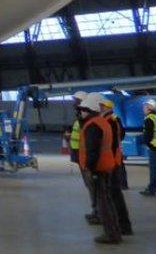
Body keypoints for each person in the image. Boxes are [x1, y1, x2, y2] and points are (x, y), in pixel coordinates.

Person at [79, 93, 121, 244]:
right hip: (106, 166)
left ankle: (110, 234)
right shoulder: (102, 122)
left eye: (83, 109)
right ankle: (115, 230)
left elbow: (92, 151)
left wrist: (91, 169)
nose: (81, 111)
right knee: (107, 200)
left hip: (98, 168)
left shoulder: (92, 126)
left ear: (89, 109)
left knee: (103, 202)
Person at [99, 98, 133, 236]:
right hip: (115, 159)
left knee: (114, 195)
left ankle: (122, 225)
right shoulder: (113, 119)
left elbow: (110, 143)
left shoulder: (110, 120)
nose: (99, 108)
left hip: (112, 162)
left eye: (101, 106)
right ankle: (122, 225)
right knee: (115, 194)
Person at [70, 92, 98, 224]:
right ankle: (96, 210)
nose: (74, 104)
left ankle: (97, 212)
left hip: (86, 158)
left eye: (76, 101)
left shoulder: (88, 121)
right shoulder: (80, 119)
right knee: (90, 186)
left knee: (93, 186)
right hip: (80, 156)